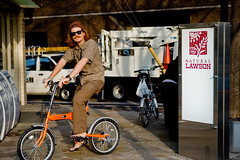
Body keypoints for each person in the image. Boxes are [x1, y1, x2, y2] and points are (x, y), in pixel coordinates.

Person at [44, 21, 104, 152]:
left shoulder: (91, 44)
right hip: (83, 81)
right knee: (77, 105)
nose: (76, 35)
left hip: (95, 79)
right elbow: (62, 61)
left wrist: (69, 77)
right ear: (70, 36)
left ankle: (80, 134)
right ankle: (80, 136)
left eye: (78, 32)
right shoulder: (73, 49)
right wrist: (50, 77)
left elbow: (83, 62)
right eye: (73, 34)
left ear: (83, 33)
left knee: (78, 101)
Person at [161, 56, 178, 141]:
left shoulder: (172, 63)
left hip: (165, 84)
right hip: (172, 86)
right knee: (173, 111)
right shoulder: (179, 64)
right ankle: (173, 136)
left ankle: (167, 124)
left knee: (167, 108)